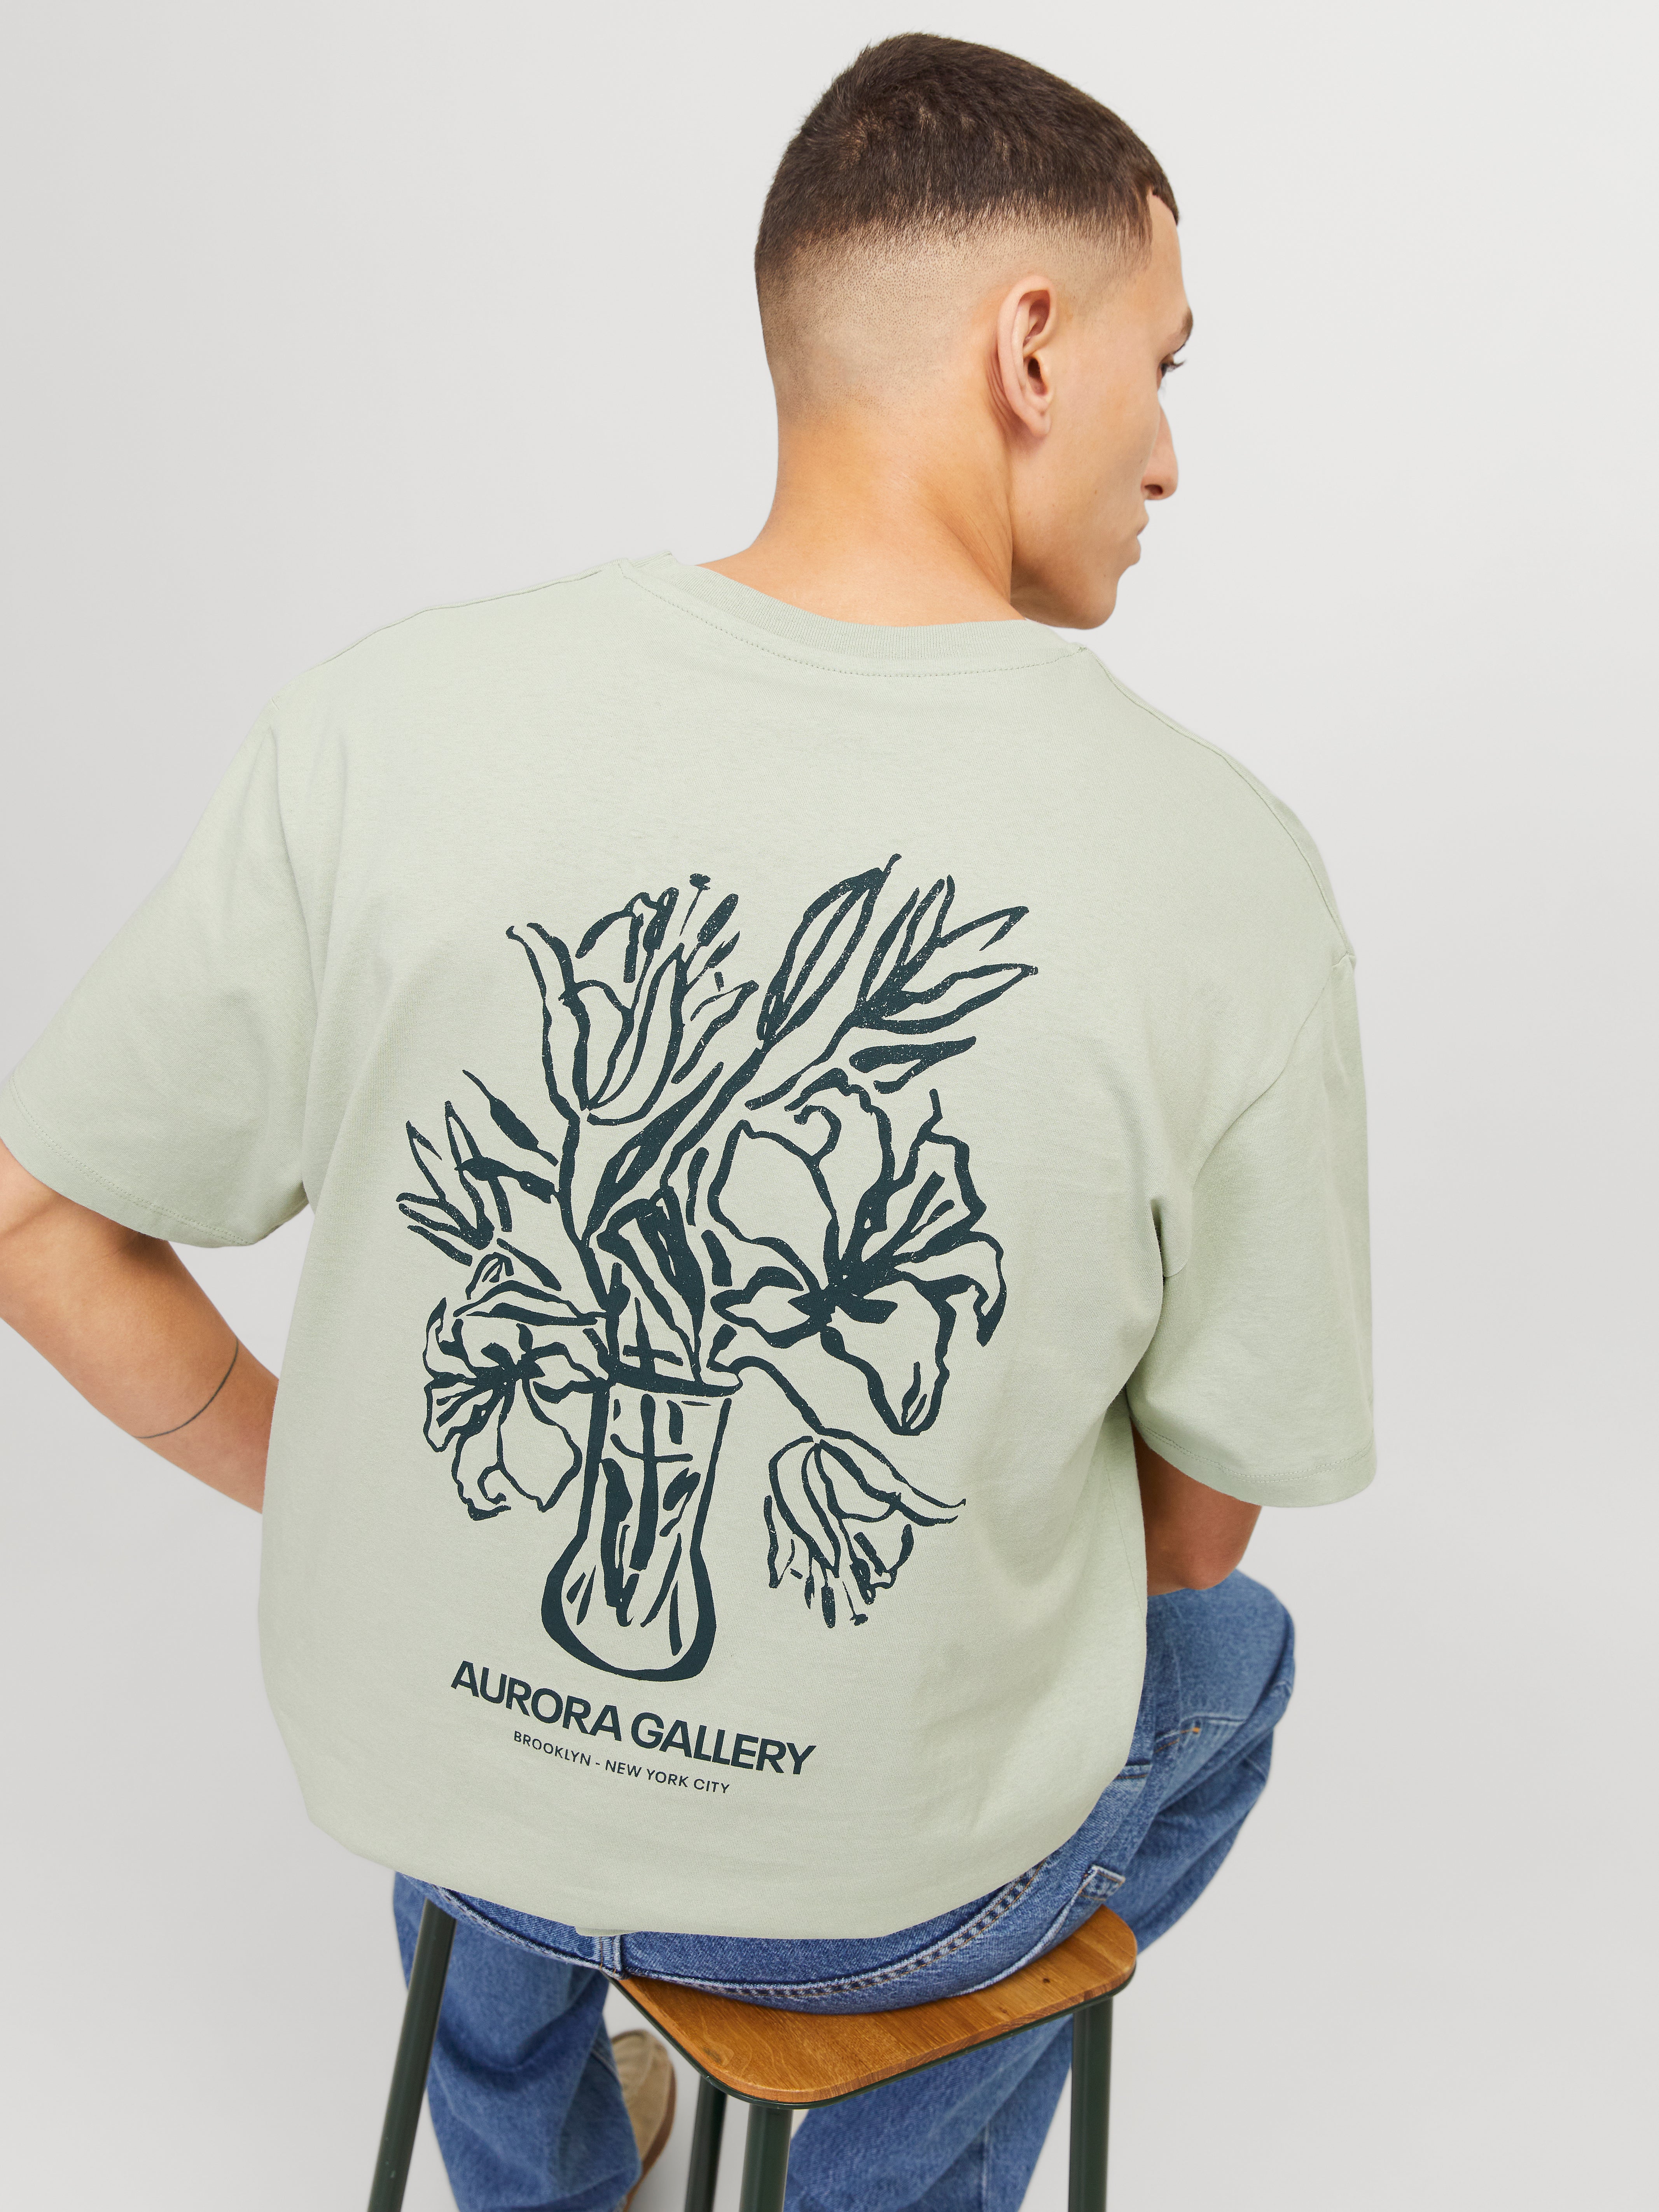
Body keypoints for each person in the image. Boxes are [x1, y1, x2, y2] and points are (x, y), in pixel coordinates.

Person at [0, 32, 1373, 2212]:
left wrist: (345, 1494)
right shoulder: (1224, 871)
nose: (1173, 455)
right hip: (880, 1907)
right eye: (1165, 364)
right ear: (1033, 347)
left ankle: (542, 2172)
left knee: (500, 1804)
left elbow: (37, 1225)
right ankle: (875, 2185)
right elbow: (1198, 1537)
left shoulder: (384, 722)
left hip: (442, 1786)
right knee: (1236, 1663)